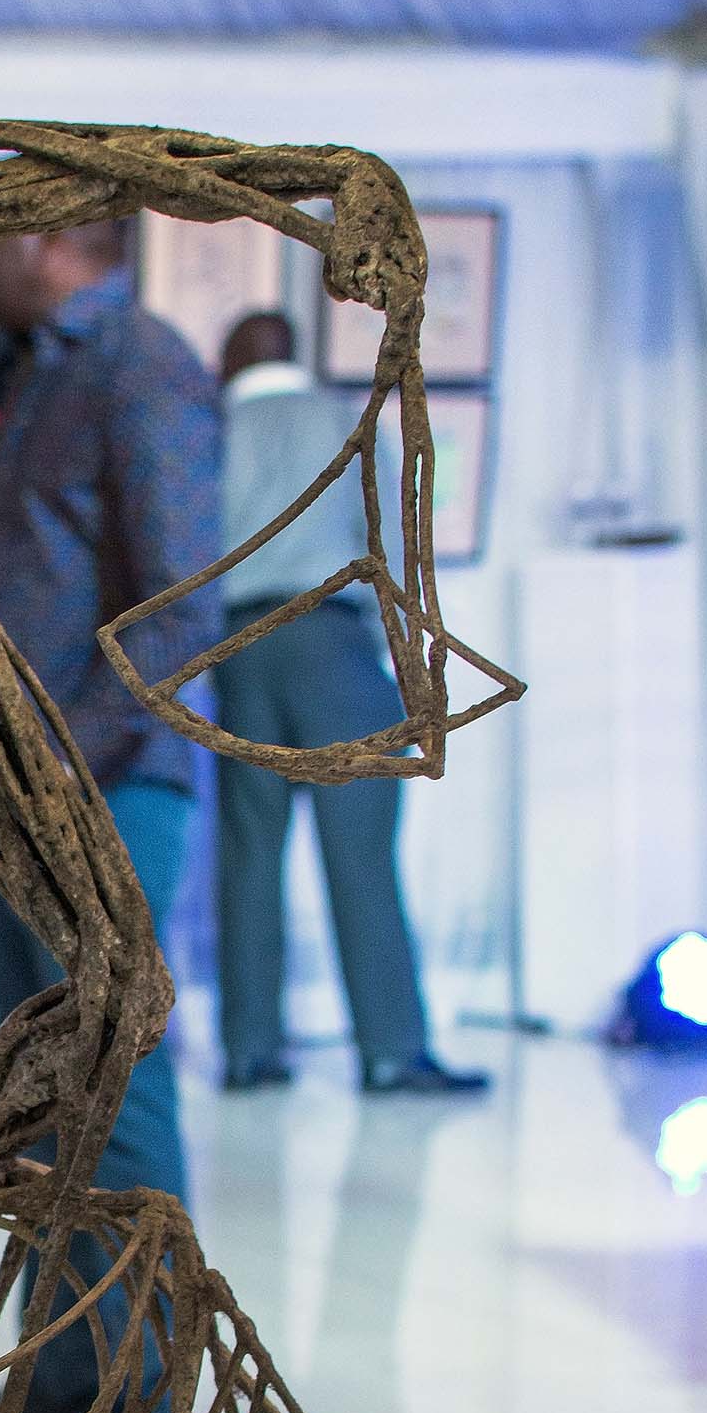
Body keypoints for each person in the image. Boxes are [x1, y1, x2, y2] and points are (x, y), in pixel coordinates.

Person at [0, 221, 221, 1413]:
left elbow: (178, 602)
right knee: (35, 1089)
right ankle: (62, 1378)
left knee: (110, 1087)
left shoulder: (140, 363)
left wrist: (63, 764)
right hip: (26, 787)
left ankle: (150, 1402)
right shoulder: (46, 366)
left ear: (58, 233)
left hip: (101, 787)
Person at [213, 310, 488, 1096]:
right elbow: (392, 546)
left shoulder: (211, 430)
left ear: (229, 360)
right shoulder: (343, 419)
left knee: (247, 856)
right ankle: (390, 1050)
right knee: (360, 856)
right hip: (329, 640)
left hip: (238, 647)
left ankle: (250, 1050)